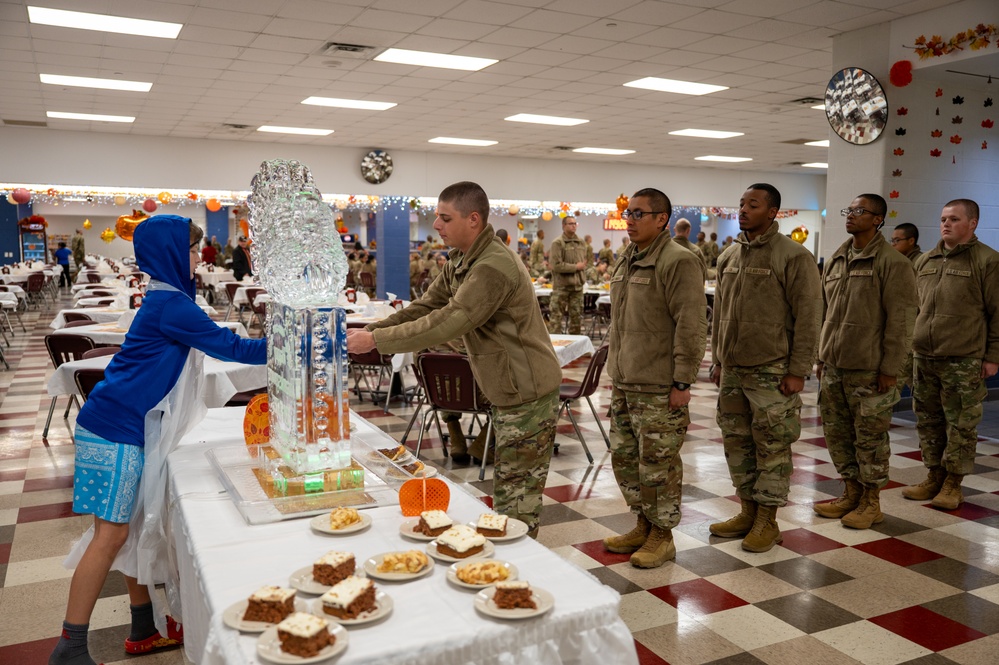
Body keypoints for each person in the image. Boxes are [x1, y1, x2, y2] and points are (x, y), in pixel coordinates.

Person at [49, 216, 266, 665]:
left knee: (125, 529)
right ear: (170, 252)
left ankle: (143, 627)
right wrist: (298, 338)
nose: (196, 258)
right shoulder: (173, 305)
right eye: (189, 250)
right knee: (109, 537)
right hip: (115, 430)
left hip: (113, 424)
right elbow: (236, 349)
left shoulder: (167, 298)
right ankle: (69, 648)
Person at [346, 181, 561, 536]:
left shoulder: (492, 266)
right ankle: (508, 565)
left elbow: (449, 320)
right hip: (508, 387)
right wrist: (374, 330)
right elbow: (427, 305)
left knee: (516, 499)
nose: (436, 225)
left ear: (473, 219)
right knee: (508, 491)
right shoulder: (463, 258)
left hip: (528, 390)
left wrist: (376, 340)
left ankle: (519, 576)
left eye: (445, 218)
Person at [709, 183, 821, 552]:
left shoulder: (792, 256)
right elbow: (720, 317)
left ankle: (767, 521)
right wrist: (718, 360)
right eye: (741, 203)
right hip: (734, 371)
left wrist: (798, 369)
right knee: (737, 443)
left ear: (773, 212)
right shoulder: (728, 257)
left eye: (752, 205)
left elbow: (808, 317)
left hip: (772, 371)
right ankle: (747, 509)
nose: (743, 210)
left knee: (772, 446)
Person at [602, 188, 707, 568]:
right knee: (626, 459)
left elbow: (692, 324)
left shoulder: (678, 261)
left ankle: (663, 536)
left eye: (638, 214)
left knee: (658, 463)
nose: (628, 220)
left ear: (662, 219)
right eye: (628, 213)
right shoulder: (627, 258)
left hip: (660, 384)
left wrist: (682, 381)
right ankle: (643, 523)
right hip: (626, 379)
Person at [814, 195, 917, 529]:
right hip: (834, 365)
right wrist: (821, 355)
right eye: (849, 210)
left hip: (870, 370)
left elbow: (901, 322)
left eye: (860, 211)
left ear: (878, 220)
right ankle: (851, 492)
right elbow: (824, 312)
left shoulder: (892, 263)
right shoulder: (838, 259)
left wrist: (891, 369)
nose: (851, 216)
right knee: (838, 434)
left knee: (870, 439)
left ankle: (871, 501)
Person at [903, 199, 999, 509]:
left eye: (954, 219)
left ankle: (953, 484)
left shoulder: (987, 261)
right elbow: (911, 309)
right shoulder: (926, 260)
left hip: (963, 357)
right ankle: (934, 475)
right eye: (943, 218)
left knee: (961, 423)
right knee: (928, 420)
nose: (946, 224)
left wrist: (992, 356)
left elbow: (998, 313)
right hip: (924, 355)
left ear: (972, 224)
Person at [547, 216, 587, 335]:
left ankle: (575, 350)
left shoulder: (581, 242)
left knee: (576, 320)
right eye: (570, 223)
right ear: (563, 226)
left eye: (575, 223)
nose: (573, 226)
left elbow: (585, 262)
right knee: (556, 320)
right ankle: (554, 349)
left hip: (577, 287)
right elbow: (556, 265)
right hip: (561, 287)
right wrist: (575, 267)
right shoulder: (558, 243)